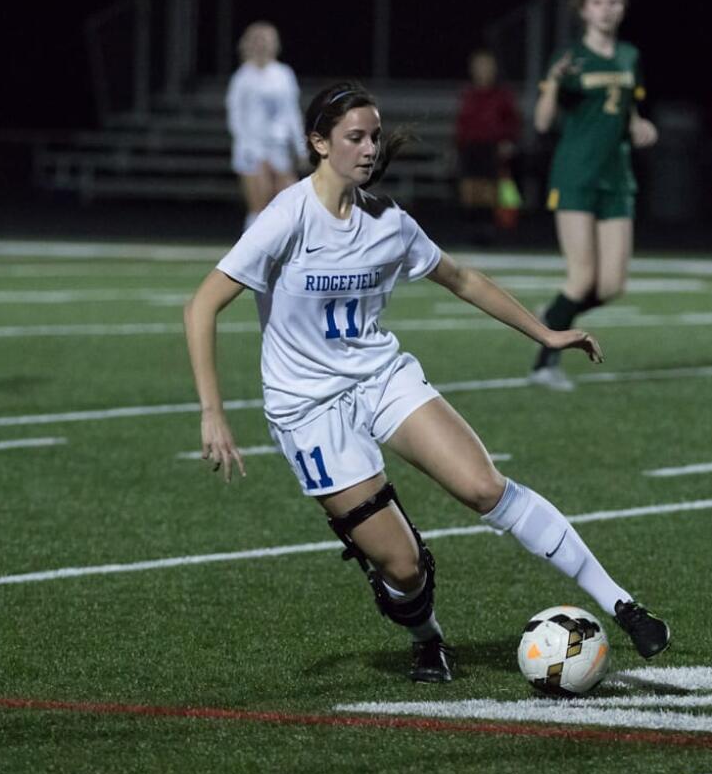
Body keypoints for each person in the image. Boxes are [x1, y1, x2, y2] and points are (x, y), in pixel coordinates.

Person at [184, 81, 671, 683]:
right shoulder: (286, 218)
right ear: (318, 143)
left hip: (382, 379)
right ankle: (427, 638)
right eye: (354, 137)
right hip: (308, 409)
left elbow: (463, 280)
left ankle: (622, 604)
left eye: (374, 136)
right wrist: (213, 412)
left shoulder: (388, 221)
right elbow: (201, 306)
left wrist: (545, 334)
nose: (368, 149)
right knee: (405, 567)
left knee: (484, 487)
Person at [530, 0, 657, 392]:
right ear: (583, 10)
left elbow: (629, 112)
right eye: (598, 2)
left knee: (612, 286)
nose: (607, 9)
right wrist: (551, 82)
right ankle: (544, 363)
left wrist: (641, 128)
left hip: (617, 178)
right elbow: (543, 122)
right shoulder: (571, 57)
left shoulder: (629, 55)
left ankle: (554, 313)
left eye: (615, 2)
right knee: (582, 279)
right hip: (576, 175)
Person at [225, 22, 307, 232]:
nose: (262, 46)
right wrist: (253, 152)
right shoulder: (242, 78)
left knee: (291, 203)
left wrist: (300, 147)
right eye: (257, 41)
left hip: (278, 146)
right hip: (251, 148)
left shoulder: (284, 74)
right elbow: (235, 118)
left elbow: (291, 114)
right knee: (259, 206)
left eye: (266, 41)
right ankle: (250, 256)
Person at [454, 49, 520, 242]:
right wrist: (457, 145)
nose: (483, 70)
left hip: (492, 146)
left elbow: (512, 121)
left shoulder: (502, 95)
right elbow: (461, 123)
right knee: (469, 189)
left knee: (489, 189)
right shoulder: (467, 93)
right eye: (479, 66)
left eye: (487, 66)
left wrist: (508, 141)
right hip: (469, 147)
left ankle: (488, 230)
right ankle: (471, 228)